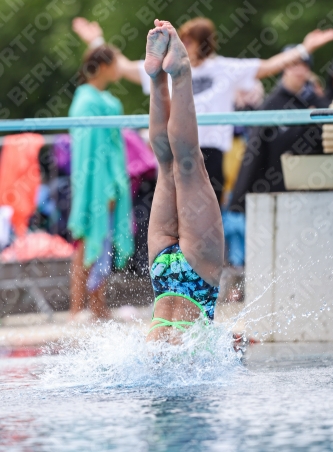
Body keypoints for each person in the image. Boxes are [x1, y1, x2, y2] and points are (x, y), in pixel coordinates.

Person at [73, 17, 333, 205]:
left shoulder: (224, 69)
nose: (184, 43)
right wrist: (96, 41)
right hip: (178, 152)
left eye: (190, 39)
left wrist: (304, 49)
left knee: (208, 219)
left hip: (210, 153)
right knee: (174, 214)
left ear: (202, 43)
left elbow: (268, 66)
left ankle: (206, 278)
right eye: (183, 38)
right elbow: (124, 66)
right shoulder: (169, 66)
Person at [142, 19, 224, 342]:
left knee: (187, 165)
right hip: (161, 273)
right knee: (169, 165)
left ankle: (179, 74)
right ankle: (157, 77)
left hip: (197, 278)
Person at [68, 44, 134, 320]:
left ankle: (97, 305)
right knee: (88, 238)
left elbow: (114, 148)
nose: (120, 67)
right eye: (116, 62)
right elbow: (88, 152)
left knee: (104, 239)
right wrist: (101, 186)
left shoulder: (109, 102)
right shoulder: (85, 100)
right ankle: (76, 308)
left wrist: (116, 182)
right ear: (104, 66)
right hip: (93, 183)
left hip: (111, 180)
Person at [230, 48, 330, 212]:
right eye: (293, 65)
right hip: (277, 195)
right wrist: (239, 199)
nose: (299, 70)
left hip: (318, 194)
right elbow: (254, 152)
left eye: (304, 65)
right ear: (284, 68)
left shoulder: (321, 104)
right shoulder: (271, 106)